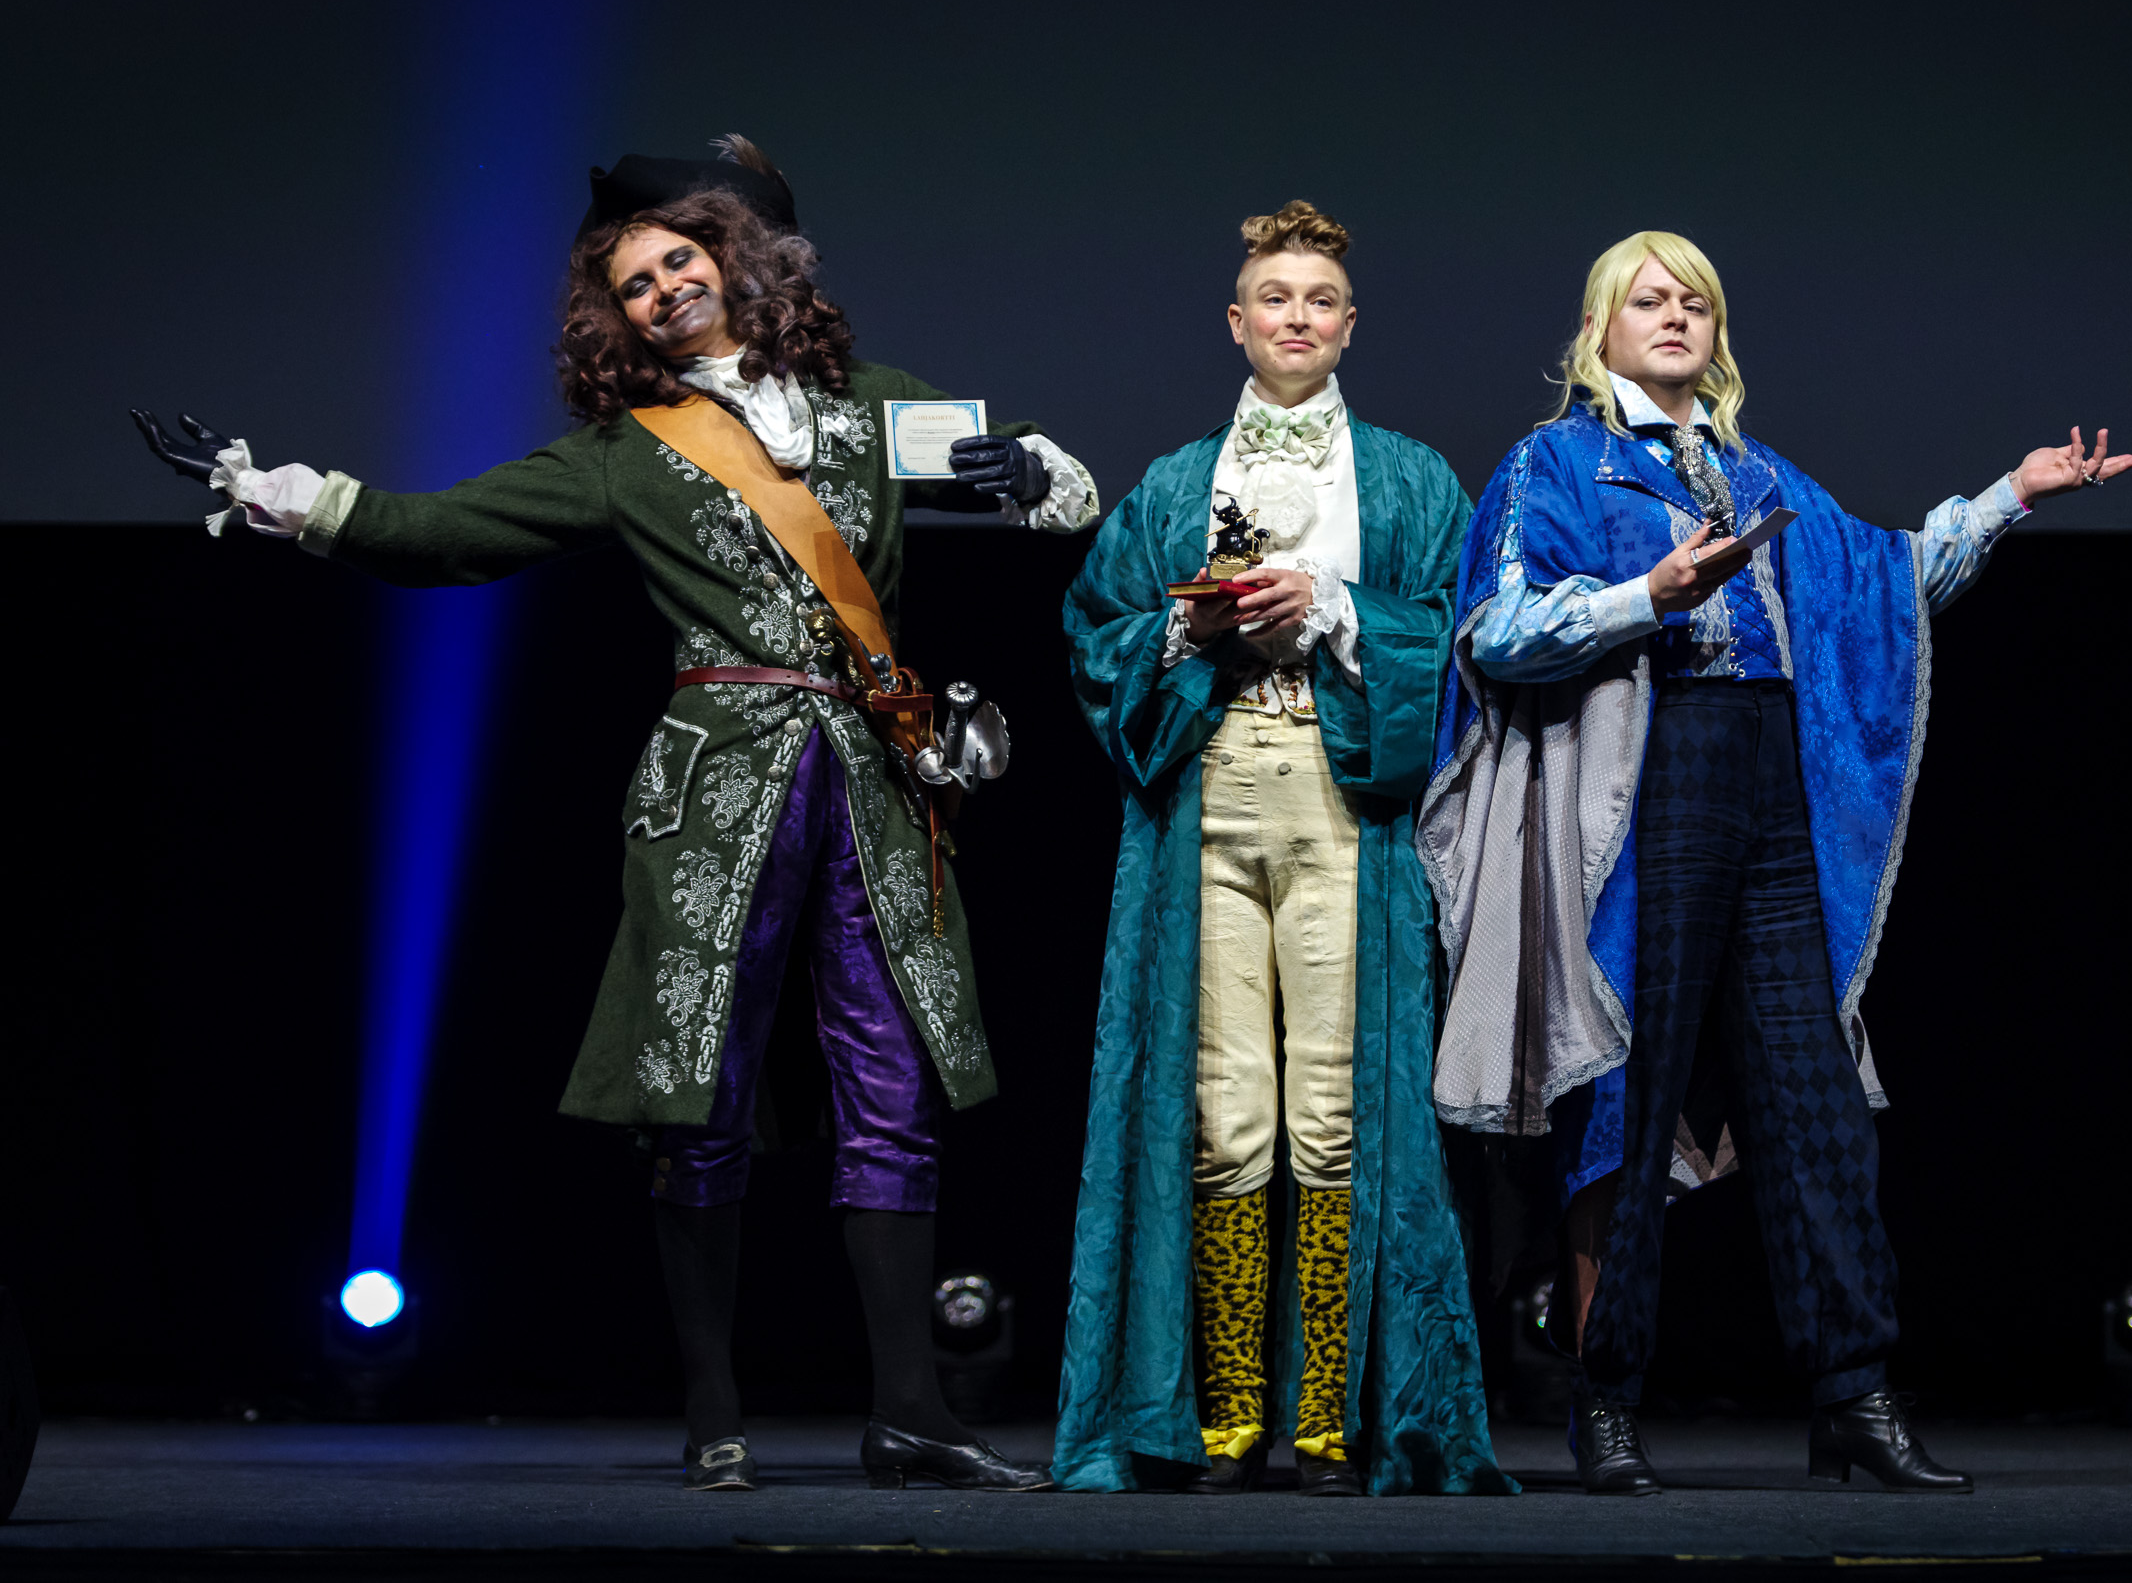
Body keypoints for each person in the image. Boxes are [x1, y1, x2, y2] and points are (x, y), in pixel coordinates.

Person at [129, 136, 1098, 1494]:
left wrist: (1034, 473)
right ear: (618, 318)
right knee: (697, 1089)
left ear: (734, 260)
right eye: (634, 284)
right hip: (715, 790)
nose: (661, 290)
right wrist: (271, 491)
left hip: (877, 783)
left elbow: (1055, 489)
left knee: (893, 1083)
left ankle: (912, 1414)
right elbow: (443, 531)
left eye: (678, 260)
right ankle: (713, 1412)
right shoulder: (625, 454)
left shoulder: (877, 404)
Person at [1421, 231, 2132, 1495]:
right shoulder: (1558, 463)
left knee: (1817, 1100)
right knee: (1628, 1102)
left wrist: (2009, 497)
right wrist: (1645, 593)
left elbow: (1886, 580)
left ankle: (1853, 1394)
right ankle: (1606, 1398)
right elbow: (1501, 630)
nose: (1675, 316)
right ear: (1597, 330)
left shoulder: (1757, 473)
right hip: (1649, 785)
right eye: (1649, 299)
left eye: (1694, 301)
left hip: (1769, 790)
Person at [1053, 202, 1509, 1496]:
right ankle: (1229, 1416)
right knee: (1227, 1113)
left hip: (1339, 797)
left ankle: (1322, 1421)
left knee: (1330, 1109)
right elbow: (1095, 632)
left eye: (1319, 299)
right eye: (1274, 296)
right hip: (1212, 789)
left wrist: (1334, 608)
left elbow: (1465, 640)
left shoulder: (1410, 479)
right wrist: (1188, 629)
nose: (1296, 316)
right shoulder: (1174, 482)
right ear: (1236, 321)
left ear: (1350, 325)